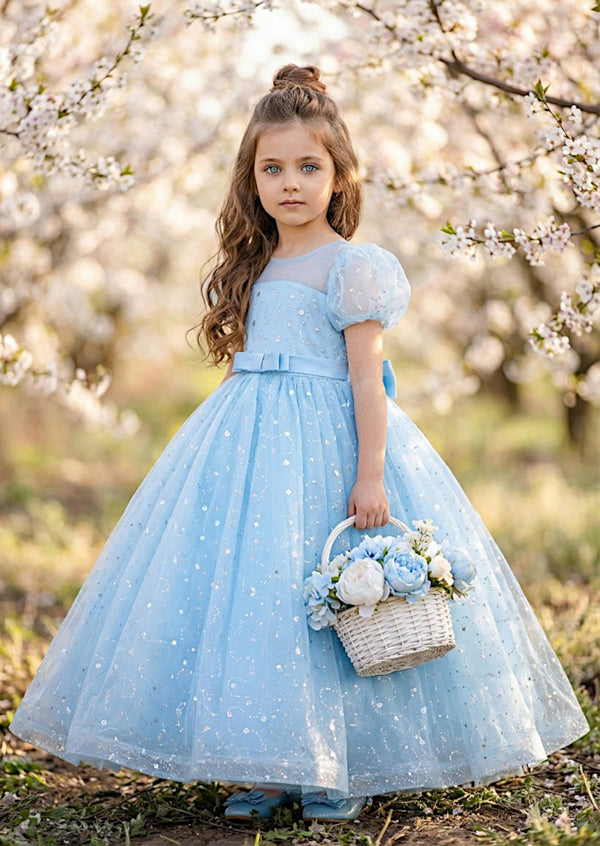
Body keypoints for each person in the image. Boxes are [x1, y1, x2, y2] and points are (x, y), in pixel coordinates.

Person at [10, 64, 589, 824]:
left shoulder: (353, 267)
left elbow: (367, 382)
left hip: (330, 443)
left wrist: (371, 473)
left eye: (308, 167)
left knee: (336, 593)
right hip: (247, 446)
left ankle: (337, 765)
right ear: (250, 179)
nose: (290, 183)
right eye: (272, 168)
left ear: (339, 175)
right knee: (257, 597)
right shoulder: (256, 265)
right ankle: (268, 756)